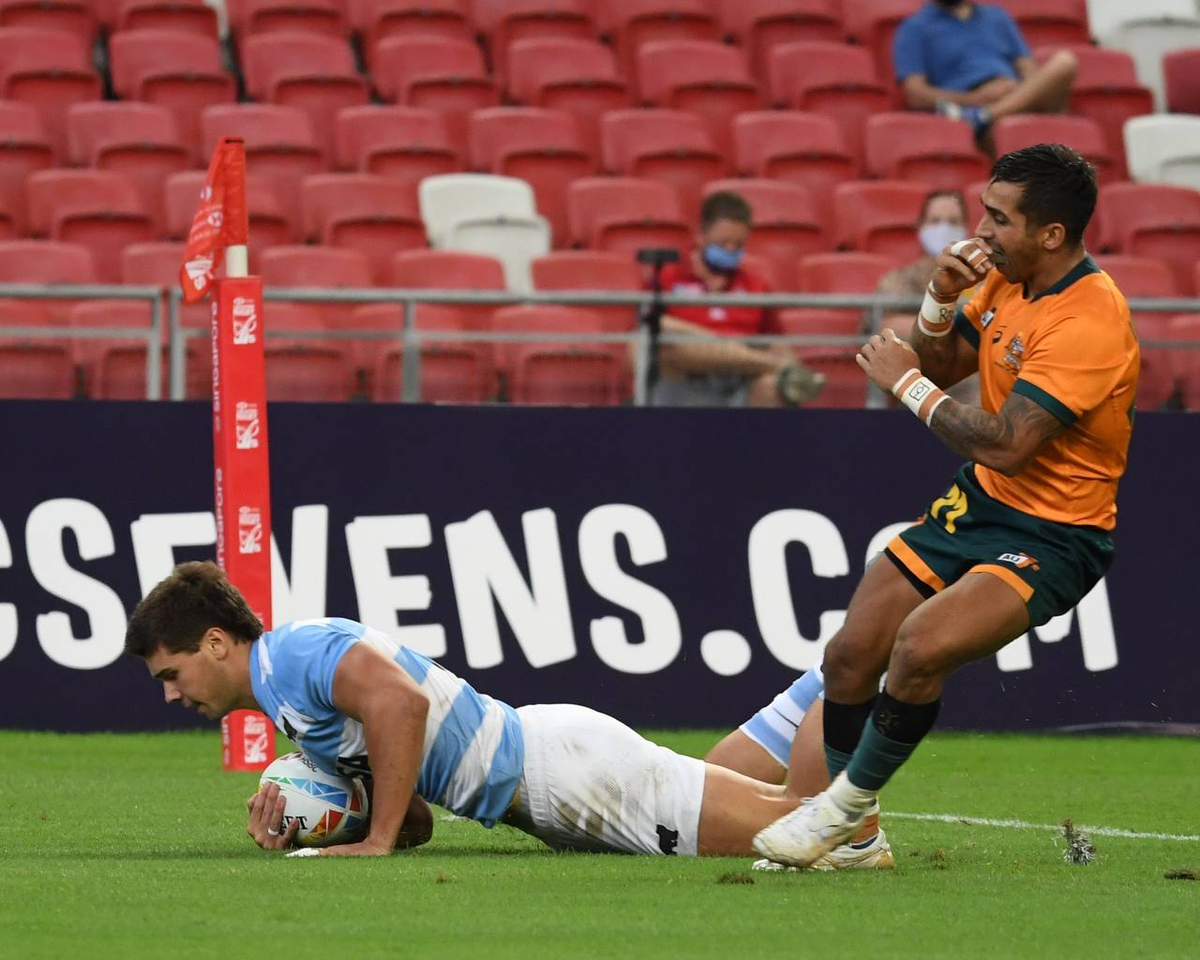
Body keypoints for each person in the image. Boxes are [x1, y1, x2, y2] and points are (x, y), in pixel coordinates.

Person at [752, 143, 1139, 868]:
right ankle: (857, 842)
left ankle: (837, 813)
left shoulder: (1092, 320)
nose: (981, 231)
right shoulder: (1007, 281)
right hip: (982, 504)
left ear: (1052, 234)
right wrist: (936, 302)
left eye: (999, 218)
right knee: (848, 657)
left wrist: (905, 387)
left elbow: (1007, 444)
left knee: (918, 649)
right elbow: (944, 364)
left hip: (1057, 533)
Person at [125, 561, 891, 867]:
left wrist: (377, 841)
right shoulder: (288, 700)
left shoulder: (293, 653)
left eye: (172, 672)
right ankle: (817, 687)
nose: (170, 694)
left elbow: (402, 701)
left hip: (565, 778)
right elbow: (421, 815)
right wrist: (320, 820)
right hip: (556, 773)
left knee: (805, 833)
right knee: (730, 786)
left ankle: (861, 661)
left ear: (217, 642)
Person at [648, 190, 823, 408]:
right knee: (666, 329)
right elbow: (646, 337)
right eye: (723, 243)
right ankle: (770, 365)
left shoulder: (756, 287)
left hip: (741, 383)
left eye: (738, 245)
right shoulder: (668, 277)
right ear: (701, 235)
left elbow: (776, 340)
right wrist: (773, 363)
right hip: (685, 380)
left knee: (774, 386)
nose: (731, 250)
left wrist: (793, 365)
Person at [893, 0, 1078, 142]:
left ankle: (985, 116)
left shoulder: (997, 17)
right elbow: (915, 94)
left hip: (1014, 95)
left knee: (1065, 62)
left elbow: (1028, 68)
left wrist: (1014, 91)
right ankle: (984, 116)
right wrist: (976, 98)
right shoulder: (913, 28)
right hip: (970, 108)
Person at [876, 189, 981, 404]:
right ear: (921, 227)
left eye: (953, 221)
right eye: (935, 221)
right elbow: (891, 326)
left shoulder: (981, 280)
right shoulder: (898, 280)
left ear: (966, 228)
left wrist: (934, 325)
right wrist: (959, 328)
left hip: (974, 400)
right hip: (915, 399)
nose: (944, 228)